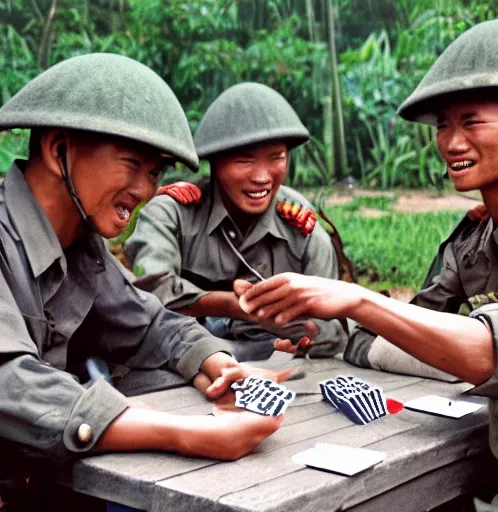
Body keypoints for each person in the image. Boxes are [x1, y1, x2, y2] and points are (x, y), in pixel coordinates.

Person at [235, 18, 498, 506]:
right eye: (443, 125)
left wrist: (357, 300)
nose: (450, 141)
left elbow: (497, 352)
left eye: (470, 121)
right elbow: (419, 324)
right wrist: (341, 332)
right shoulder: (475, 240)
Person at [0, 53, 290, 509]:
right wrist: (184, 433)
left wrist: (215, 364)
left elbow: (148, 324)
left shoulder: (80, 244)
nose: (144, 189)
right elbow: (9, 384)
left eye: (155, 172)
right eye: (131, 162)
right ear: (59, 150)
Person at [124, 82, 347, 361]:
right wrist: (236, 306)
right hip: (182, 363)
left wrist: (302, 337)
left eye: (276, 158)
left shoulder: (301, 226)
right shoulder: (173, 214)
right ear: (215, 163)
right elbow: (149, 294)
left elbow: (334, 329)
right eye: (245, 161)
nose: (262, 177)